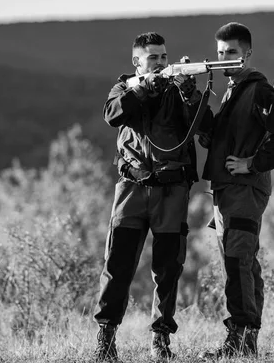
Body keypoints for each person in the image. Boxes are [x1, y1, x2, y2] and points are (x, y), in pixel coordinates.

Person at [94, 31, 212, 362]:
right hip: (131, 189)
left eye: (163, 57)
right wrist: (146, 87)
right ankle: (106, 339)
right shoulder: (124, 87)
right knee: (117, 265)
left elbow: (206, 126)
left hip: (172, 191)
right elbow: (112, 114)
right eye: (153, 58)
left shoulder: (179, 91)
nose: (160, 62)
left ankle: (160, 341)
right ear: (137, 62)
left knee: (167, 269)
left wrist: (189, 93)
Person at [199, 22, 274, 359]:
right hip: (226, 192)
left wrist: (252, 164)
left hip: (245, 189)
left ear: (247, 53)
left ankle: (239, 340)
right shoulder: (232, 90)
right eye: (219, 53)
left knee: (238, 262)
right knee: (241, 262)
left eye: (231, 52)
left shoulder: (258, 91)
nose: (224, 58)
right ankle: (246, 340)